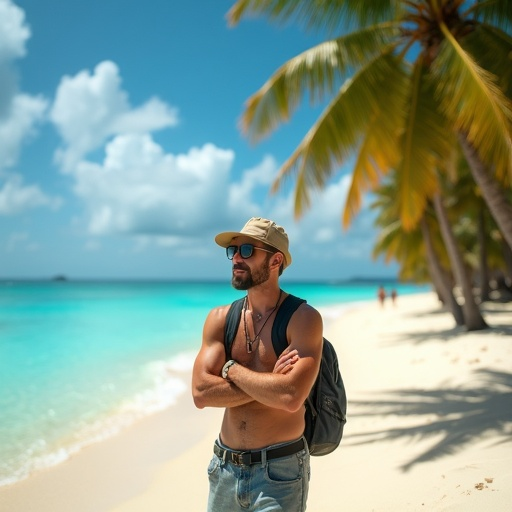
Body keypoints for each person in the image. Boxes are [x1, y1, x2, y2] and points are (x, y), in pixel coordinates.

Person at [192, 217, 323, 512]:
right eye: (233, 251)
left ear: (275, 260)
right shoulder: (219, 319)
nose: (236, 258)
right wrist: (268, 382)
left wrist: (230, 370)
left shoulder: (303, 319)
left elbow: (290, 397)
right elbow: (200, 393)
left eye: (247, 250)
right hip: (224, 469)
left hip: (279, 472)